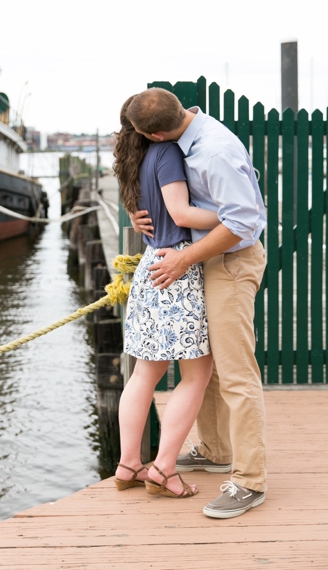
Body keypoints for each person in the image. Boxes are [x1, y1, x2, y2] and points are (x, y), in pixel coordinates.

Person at [126, 87, 268, 519]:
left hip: (229, 261)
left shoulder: (214, 152)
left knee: (236, 373)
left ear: (154, 134)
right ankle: (215, 449)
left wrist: (184, 257)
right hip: (202, 259)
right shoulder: (185, 135)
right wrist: (140, 214)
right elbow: (178, 205)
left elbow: (244, 222)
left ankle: (249, 481)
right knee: (201, 358)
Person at [112, 96, 220, 500]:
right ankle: (163, 470)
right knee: (197, 374)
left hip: (148, 268)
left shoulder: (132, 158)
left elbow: (149, 214)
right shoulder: (167, 153)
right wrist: (236, 213)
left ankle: (128, 465)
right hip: (176, 269)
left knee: (145, 373)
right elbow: (181, 214)